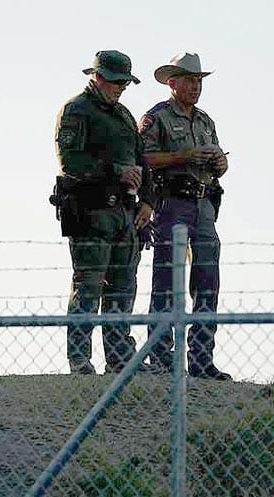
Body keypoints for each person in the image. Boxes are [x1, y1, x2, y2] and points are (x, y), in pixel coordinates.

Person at [52, 50, 156, 374]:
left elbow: (142, 162)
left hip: (125, 215)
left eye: (123, 83)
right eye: (115, 82)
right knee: (88, 287)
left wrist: (148, 202)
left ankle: (120, 359)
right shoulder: (76, 110)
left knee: (123, 289)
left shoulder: (124, 116)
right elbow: (70, 162)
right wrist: (115, 172)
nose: (120, 88)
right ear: (98, 77)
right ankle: (80, 360)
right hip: (91, 212)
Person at [138, 53, 231, 380]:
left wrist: (220, 163)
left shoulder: (206, 121)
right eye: (190, 80)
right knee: (167, 283)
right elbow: (142, 158)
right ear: (172, 83)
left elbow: (219, 160)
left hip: (204, 204)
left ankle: (202, 361)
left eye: (199, 81)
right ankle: (162, 359)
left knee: (207, 282)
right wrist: (184, 156)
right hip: (171, 204)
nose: (196, 86)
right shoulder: (156, 117)